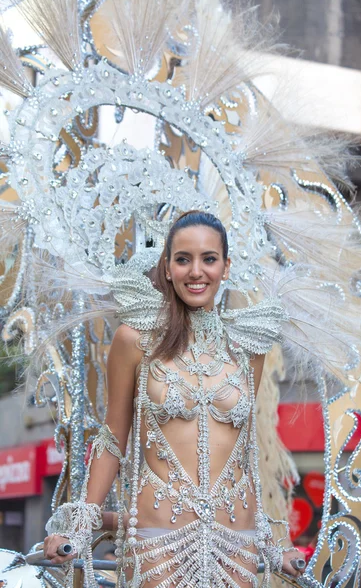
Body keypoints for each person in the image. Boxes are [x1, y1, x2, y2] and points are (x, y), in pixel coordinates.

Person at [43, 210, 306, 587]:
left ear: (226, 267)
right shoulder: (135, 340)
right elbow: (113, 438)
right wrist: (82, 525)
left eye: (208, 259)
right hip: (158, 543)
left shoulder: (249, 348)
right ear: (167, 268)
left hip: (237, 543)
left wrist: (273, 543)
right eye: (183, 259)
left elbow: (244, 456)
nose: (196, 272)